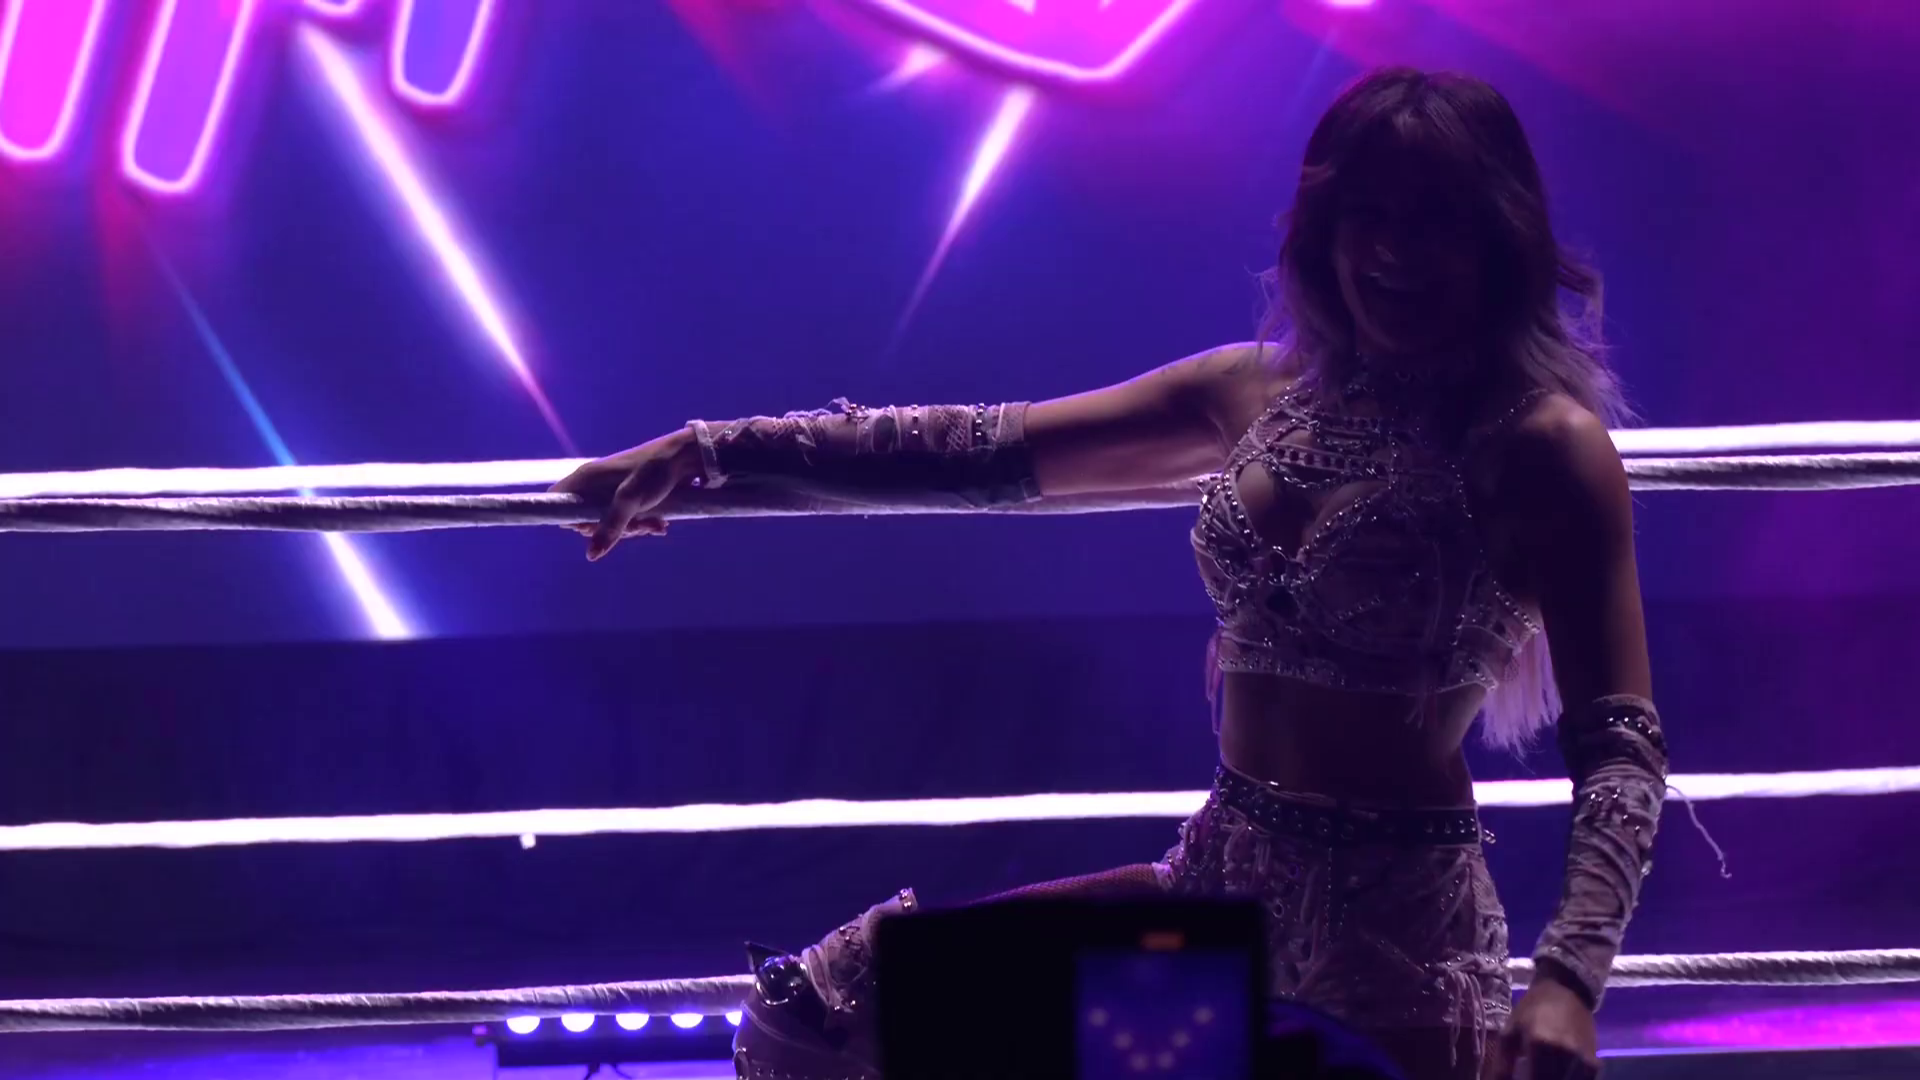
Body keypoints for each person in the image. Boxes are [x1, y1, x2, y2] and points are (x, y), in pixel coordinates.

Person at [554, 68, 1667, 1080]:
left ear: (1495, 237)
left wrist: (1568, 981)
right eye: (1366, 215)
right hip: (1215, 899)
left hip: (1397, 949)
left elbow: (1621, 752)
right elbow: (971, 450)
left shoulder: (1542, 446)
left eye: (1432, 220)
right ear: (1323, 231)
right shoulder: (1249, 392)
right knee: (835, 1010)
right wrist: (713, 452)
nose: (1392, 252)